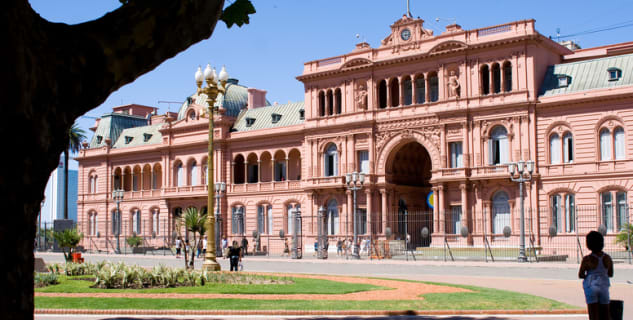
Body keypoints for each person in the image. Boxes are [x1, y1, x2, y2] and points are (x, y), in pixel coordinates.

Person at [579, 231, 613, 320]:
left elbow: (581, 274)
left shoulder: (587, 259)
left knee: (593, 314)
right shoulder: (607, 258)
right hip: (604, 286)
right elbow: (610, 273)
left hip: (591, 286)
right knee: (606, 313)